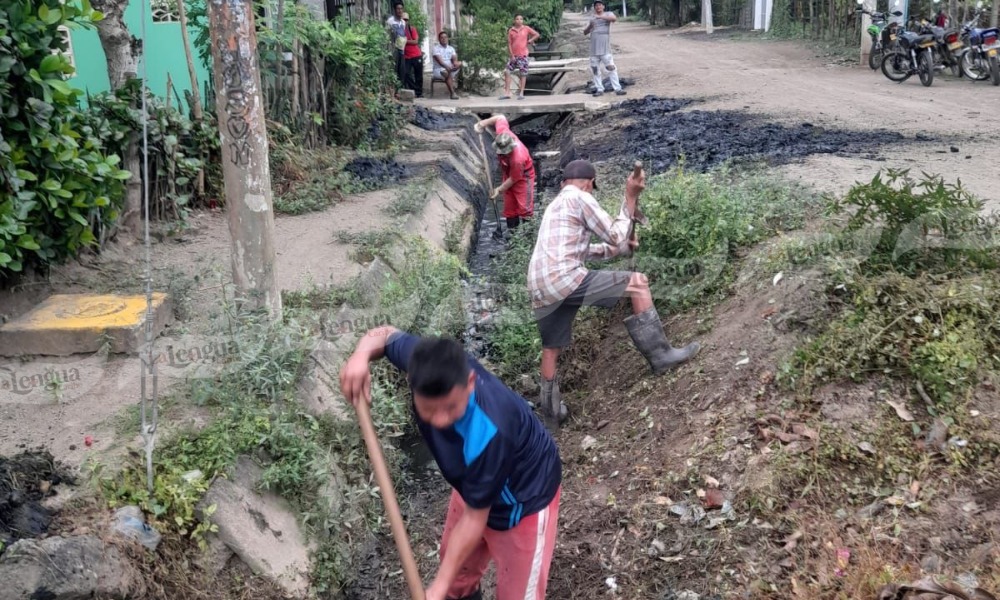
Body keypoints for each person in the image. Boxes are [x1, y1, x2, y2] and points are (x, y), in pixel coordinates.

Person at [339, 326, 562, 600]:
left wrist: (436, 589)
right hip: (473, 484)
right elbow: (384, 335)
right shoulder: (426, 366)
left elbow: (474, 518)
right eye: (429, 409)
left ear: (469, 382)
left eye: (450, 408)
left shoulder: (490, 430)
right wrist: (361, 355)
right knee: (457, 573)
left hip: (524, 497)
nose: (441, 420)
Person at [526, 160, 701, 427]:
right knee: (638, 282)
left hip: (539, 286)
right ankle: (662, 356)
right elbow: (617, 235)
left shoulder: (555, 207)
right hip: (564, 278)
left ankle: (551, 415)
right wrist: (630, 197)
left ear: (564, 182)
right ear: (589, 183)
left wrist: (619, 249)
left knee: (551, 348)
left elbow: (583, 250)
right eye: (592, 188)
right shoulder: (581, 198)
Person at [473, 113, 535, 230]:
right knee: (510, 208)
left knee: (525, 208)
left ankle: (528, 237)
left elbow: (514, 178)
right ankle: (512, 235)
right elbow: (500, 117)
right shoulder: (502, 134)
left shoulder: (518, 159)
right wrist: (482, 124)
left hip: (523, 176)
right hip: (508, 173)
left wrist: (499, 189)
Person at [583, 0, 626, 97]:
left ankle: (618, 89)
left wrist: (599, 17)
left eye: (599, 5)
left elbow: (614, 19)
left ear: (603, 7)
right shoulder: (591, 18)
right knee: (595, 70)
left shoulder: (608, 14)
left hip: (605, 48)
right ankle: (599, 89)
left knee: (611, 68)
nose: (598, 7)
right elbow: (585, 32)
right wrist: (590, 26)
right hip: (594, 49)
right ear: (594, 8)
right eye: (596, 5)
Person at [500, 15, 540, 101]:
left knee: (523, 74)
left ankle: (521, 93)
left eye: (521, 19)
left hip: (523, 56)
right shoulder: (511, 31)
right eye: (517, 19)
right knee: (507, 71)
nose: (519, 20)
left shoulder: (526, 28)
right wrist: (512, 55)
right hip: (514, 56)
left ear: (523, 20)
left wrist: (530, 40)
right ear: (514, 20)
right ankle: (507, 93)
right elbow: (509, 44)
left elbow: (537, 34)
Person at [432, 31, 462, 100]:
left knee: (459, 63)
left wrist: (455, 64)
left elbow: (454, 60)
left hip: (450, 69)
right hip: (439, 70)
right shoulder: (436, 48)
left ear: (447, 38)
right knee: (446, 73)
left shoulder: (451, 48)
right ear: (439, 39)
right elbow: (440, 62)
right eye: (442, 38)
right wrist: (448, 67)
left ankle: (449, 72)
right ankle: (452, 93)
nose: (444, 39)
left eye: (445, 37)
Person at [402, 12, 424, 98]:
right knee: (406, 74)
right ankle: (415, 89)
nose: (405, 21)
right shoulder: (399, 30)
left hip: (416, 55)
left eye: (406, 20)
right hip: (407, 56)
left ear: (408, 21)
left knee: (418, 75)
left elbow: (415, 41)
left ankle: (419, 93)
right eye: (403, 20)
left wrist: (404, 40)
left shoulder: (412, 29)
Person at [387, 2, 408, 90]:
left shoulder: (403, 22)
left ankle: (400, 89)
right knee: (394, 69)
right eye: (398, 9)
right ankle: (393, 89)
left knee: (401, 70)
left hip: (401, 49)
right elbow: (387, 34)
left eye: (401, 9)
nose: (399, 10)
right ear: (395, 10)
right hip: (393, 49)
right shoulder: (390, 21)